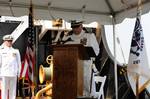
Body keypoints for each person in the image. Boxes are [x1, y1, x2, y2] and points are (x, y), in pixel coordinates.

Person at [65, 20, 100, 97]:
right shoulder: (67, 38)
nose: (75, 29)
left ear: (81, 25)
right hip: (72, 68)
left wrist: (87, 52)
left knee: (86, 89)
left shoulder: (89, 36)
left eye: (77, 27)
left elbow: (96, 51)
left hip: (85, 68)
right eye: (73, 27)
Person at [0, 34, 21, 99]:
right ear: (4, 41)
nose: (9, 42)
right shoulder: (1, 51)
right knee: (4, 91)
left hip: (13, 74)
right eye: (8, 41)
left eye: (10, 41)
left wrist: (18, 73)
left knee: (13, 91)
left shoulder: (16, 51)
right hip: (4, 74)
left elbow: (18, 63)